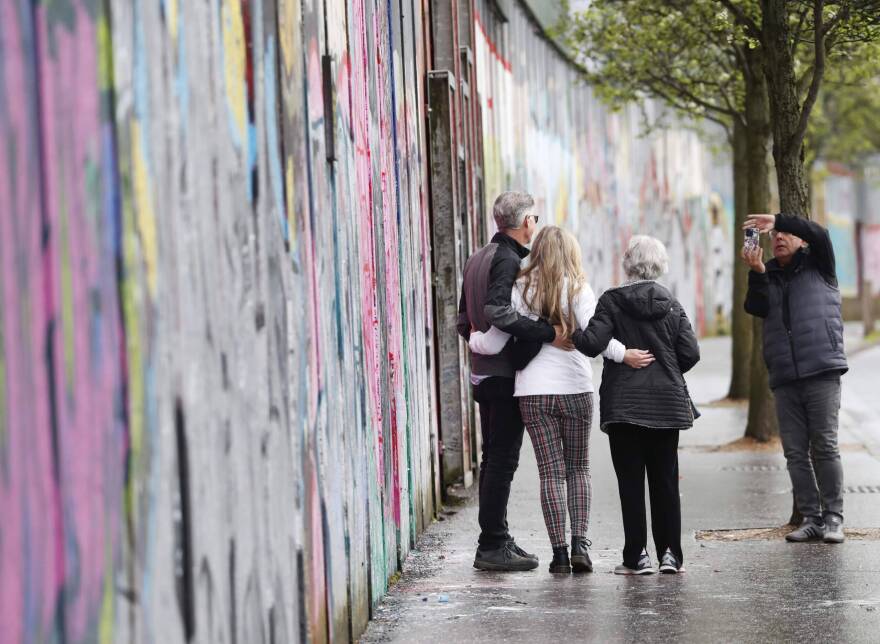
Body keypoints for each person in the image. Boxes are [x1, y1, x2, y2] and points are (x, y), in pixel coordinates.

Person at [467, 226, 654, 574]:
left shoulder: (520, 288)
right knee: (578, 468)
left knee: (550, 474)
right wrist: (624, 354)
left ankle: (559, 554)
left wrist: (473, 339)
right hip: (575, 388)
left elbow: (494, 341)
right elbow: (597, 335)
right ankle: (581, 545)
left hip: (533, 393)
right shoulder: (578, 287)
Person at [571, 235, 700, 575]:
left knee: (630, 482)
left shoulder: (611, 301)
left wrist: (569, 330)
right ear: (659, 265)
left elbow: (592, 343)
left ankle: (637, 557)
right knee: (665, 481)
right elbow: (691, 353)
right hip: (665, 406)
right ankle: (671, 555)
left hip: (624, 407)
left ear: (628, 263)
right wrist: (664, 368)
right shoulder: (671, 303)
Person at [456, 191, 569, 571]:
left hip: (482, 375)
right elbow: (498, 311)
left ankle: (497, 537)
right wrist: (544, 331)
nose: (535, 224)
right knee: (502, 461)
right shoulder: (508, 259)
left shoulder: (476, 258)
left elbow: (462, 321)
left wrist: (478, 344)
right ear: (525, 223)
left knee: (493, 459)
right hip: (505, 377)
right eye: (534, 217)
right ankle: (491, 545)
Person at [742, 213, 848, 543]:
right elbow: (755, 307)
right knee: (795, 452)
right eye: (775, 235)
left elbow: (817, 231)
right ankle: (812, 518)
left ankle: (833, 517)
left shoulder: (820, 263)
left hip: (821, 369)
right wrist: (758, 272)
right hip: (785, 375)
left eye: (787, 233)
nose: (779, 238)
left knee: (825, 446)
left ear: (802, 241)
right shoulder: (767, 273)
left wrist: (776, 219)